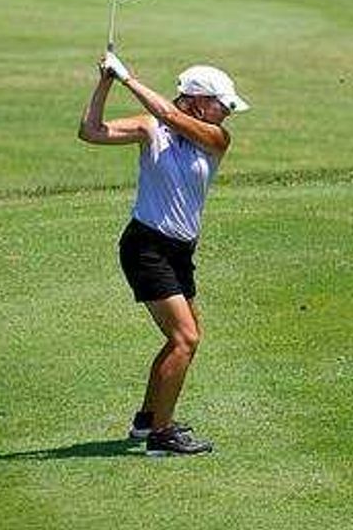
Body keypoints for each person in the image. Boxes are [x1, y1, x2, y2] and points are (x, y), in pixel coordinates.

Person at [79, 49, 249, 457]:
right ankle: (161, 434)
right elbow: (90, 131)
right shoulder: (149, 127)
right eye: (220, 105)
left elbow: (172, 118)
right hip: (146, 247)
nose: (225, 113)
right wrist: (106, 81)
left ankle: (147, 420)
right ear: (194, 99)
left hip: (180, 250)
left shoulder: (216, 138)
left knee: (186, 338)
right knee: (184, 338)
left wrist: (128, 78)